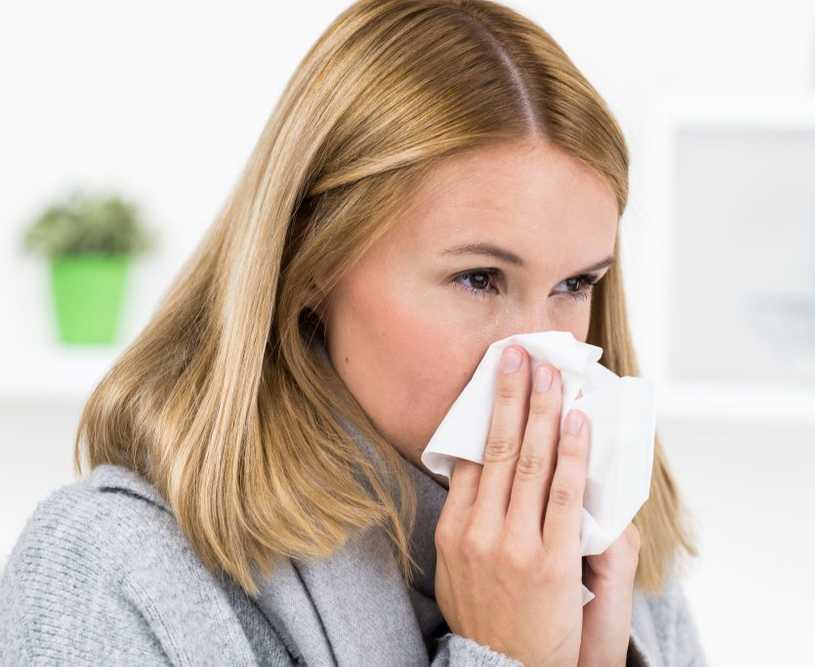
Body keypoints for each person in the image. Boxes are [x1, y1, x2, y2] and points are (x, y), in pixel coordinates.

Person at [0, 1, 706, 664]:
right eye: (479, 278)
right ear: (310, 261)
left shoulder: (614, 560)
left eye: (574, 285)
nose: (542, 361)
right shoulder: (112, 571)